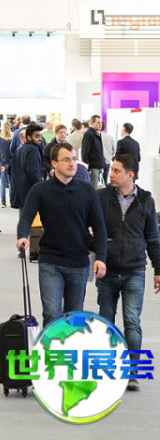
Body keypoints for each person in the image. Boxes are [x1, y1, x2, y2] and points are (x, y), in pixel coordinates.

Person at [16, 142, 107, 327]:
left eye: (74, 159)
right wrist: (23, 235)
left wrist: (101, 257)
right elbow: (26, 217)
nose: (72, 163)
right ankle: (53, 346)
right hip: (51, 260)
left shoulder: (87, 191)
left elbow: (99, 226)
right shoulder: (40, 190)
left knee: (74, 316)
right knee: (52, 313)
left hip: (79, 261)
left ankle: (69, 346)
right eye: (66, 159)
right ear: (54, 163)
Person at [96, 154, 160, 392]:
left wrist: (158, 269)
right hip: (107, 270)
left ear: (130, 175)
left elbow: (153, 238)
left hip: (135, 270)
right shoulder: (101, 197)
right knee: (105, 321)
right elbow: (83, 227)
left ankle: (132, 373)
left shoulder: (146, 201)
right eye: (111, 169)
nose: (111, 174)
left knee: (132, 321)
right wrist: (95, 243)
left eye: (116, 171)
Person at [10, 124, 43, 209]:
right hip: (30, 192)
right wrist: (40, 187)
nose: (40, 139)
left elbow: (10, 170)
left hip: (19, 193)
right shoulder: (33, 150)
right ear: (29, 137)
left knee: (24, 215)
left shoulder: (18, 150)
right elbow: (32, 171)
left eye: (40, 136)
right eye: (37, 136)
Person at [81, 114, 106, 189]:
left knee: (97, 188)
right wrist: (87, 167)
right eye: (98, 122)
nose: (100, 124)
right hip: (92, 167)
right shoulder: (89, 134)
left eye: (101, 122)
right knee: (94, 189)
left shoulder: (96, 134)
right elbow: (84, 151)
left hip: (97, 166)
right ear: (92, 123)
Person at [0, 123, 13, 207]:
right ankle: (11, 200)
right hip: (10, 163)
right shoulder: (11, 141)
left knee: (3, 184)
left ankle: (3, 202)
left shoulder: (0, 141)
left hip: (2, 163)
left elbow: (0, 153)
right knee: (11, 183)